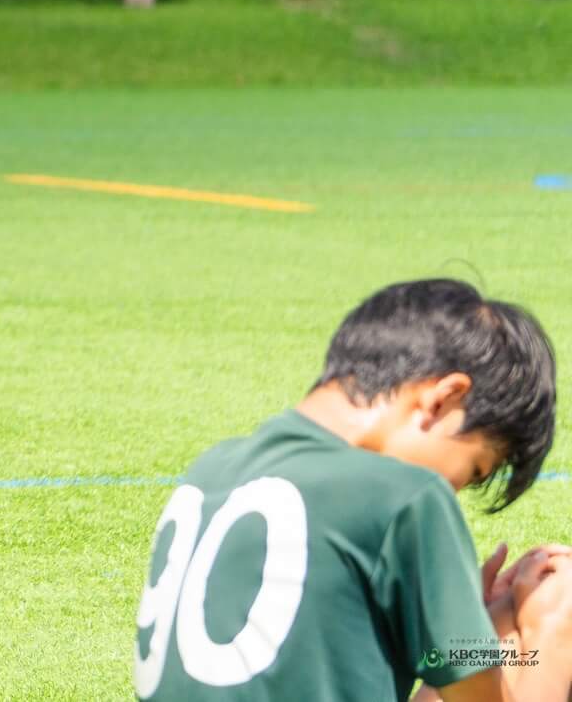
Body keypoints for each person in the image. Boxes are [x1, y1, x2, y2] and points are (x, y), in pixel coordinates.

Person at [135, 278, 572, 701]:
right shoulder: (406, 494)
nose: (454, 492)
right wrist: (544, 629)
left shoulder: (211, 468)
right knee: (554, 607)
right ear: (443, 399)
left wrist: (467, 620)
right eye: (473, 470)